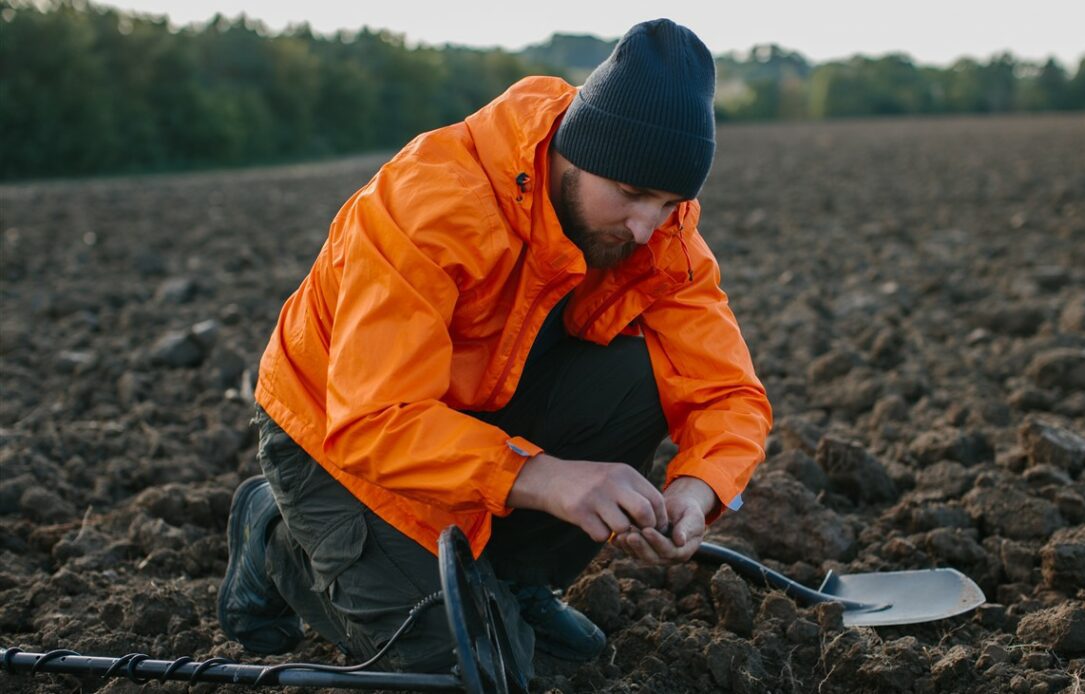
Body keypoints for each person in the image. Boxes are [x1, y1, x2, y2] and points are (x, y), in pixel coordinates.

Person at [217, 17, 772, 681]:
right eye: (629, 194)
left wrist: (695, 490)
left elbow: (727, 391)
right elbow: (372, 418)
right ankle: (275, 535)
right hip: (333, 437)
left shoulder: (660, 238)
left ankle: (515, 578)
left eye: (669, 202)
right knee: (467, 667)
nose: (645, 225)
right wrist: (545, 478)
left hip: (476, 414)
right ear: (574, 151)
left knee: (642, 374)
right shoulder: (432, 206)